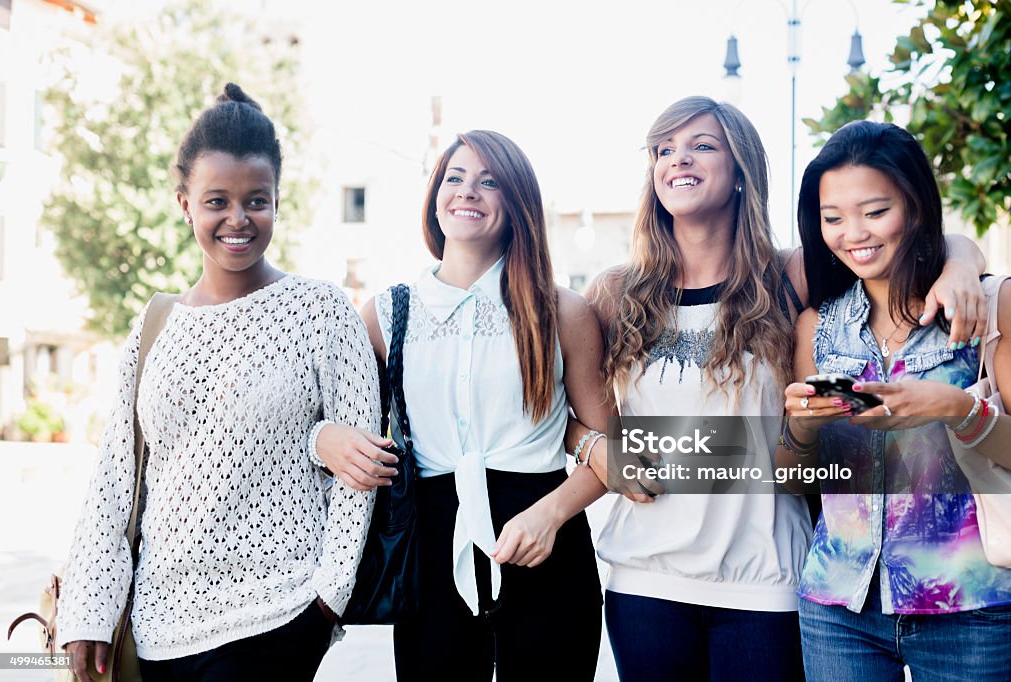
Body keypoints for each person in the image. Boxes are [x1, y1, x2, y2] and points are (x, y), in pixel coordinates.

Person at [573, 97, 988, 681]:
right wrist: (595, 447)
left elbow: (889, 248)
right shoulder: (616, 293)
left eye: (702, 145)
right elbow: (574, 414)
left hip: (767, 580)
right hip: (646, 577)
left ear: (741, 169)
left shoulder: (787, 275)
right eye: (663, 150)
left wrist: (963, 261)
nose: (678, 160)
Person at [57, 83, 380, 682]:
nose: (237, 219)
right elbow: (114, 476)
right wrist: (88, 612)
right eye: (216, 201)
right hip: (157, 628)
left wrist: (326, 605)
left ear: (278, 200)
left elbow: (359, 478)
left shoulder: (324, 313)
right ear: (184, 204)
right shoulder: (154, 326)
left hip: (275, 620)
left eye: (256, 200)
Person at [314, 130, 608, 681]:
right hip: (428, 550)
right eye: (455, 178)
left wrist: (552, 513)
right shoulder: (387, 313)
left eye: (489, 180)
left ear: (517, 202)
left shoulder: (562, 312)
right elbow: (320, 416)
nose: (467, 191)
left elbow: (611, 450)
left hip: (546, 540)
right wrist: (324, 438)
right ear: (435, 196)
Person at [782, 119, 1011, 681]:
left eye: (874, 211)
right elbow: (793, 479)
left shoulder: (991, 303)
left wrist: (955, 409)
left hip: (972, 606)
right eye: (833, 217)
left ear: (914, 205)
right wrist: (803, 429)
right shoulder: (817, 326)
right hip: (838, 606)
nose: (853, 233)